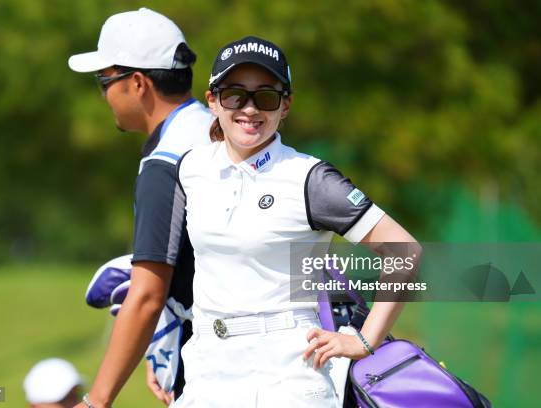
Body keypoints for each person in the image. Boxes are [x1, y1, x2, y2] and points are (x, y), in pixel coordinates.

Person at [170, 36, 422, 407]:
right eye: (235, 95)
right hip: (206, 371)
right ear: (213, 100)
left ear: (285, 105)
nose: (250, 110)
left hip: (285, 378)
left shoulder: (309, 178)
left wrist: (364, 341)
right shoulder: (191, 169)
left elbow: (405, 251)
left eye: (267, 97)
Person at [67, 8, 213, 407]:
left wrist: (96, 401)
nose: (103, 94)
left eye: (104, 80)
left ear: (137, 83)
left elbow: (147, 295)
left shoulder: (165, 163)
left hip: (226, 370)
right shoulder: (220, 127)